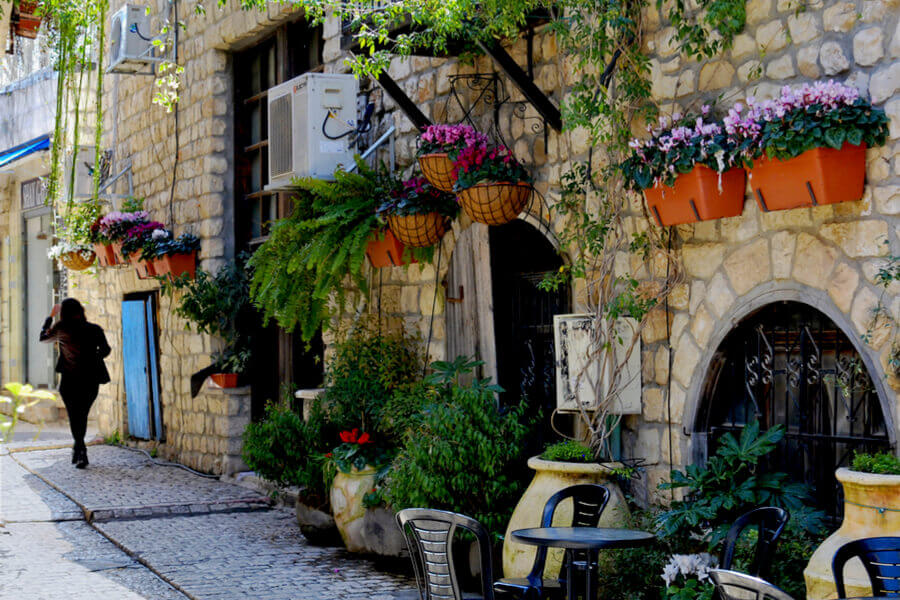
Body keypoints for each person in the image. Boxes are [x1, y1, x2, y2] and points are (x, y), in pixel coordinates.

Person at [39, 298, 111, 468]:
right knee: (82, 414)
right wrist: (94, 358)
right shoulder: (94, 329)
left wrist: (50, 316)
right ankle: (79, 448)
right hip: (90, 379)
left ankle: (79, 448)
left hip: (69, 380)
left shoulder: (60, 328)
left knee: (74, 415)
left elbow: (43, 338)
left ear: (63, 313)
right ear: (81, 310)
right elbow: (106, 350)